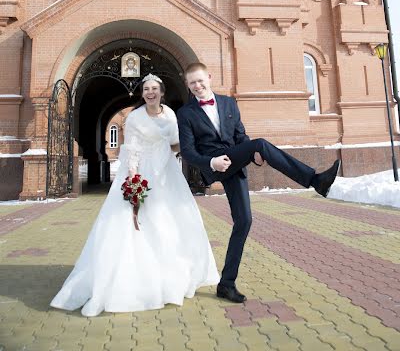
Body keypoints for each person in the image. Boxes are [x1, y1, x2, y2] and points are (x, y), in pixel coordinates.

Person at [50, 74, 219, 316]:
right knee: (141, 223)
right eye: (146, 89)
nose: (150, 92)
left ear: (161, 92)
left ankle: (171, 277)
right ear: (143, 94)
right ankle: (138, 279)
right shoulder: (135, 117)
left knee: (172, 221)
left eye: (154, 89)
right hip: (143, 173)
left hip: (167, 173)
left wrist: (181, 145)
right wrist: (133, 181)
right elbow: (131, 149)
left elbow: (175, 143)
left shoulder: (171, 114)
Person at [177, 62, 341, 304]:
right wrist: (211, 163)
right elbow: (188, 152)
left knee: (244, 221)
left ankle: (227, 284)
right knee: (262, 143)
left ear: (209, 78)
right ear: (188, 86)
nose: (197, 86)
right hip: (216, 166)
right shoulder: (186, 113)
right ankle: (315, 180)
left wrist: (251, 153)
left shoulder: (229, 103)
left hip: (235, 163)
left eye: (200, 80)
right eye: (192, 83)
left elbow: (240, 136)